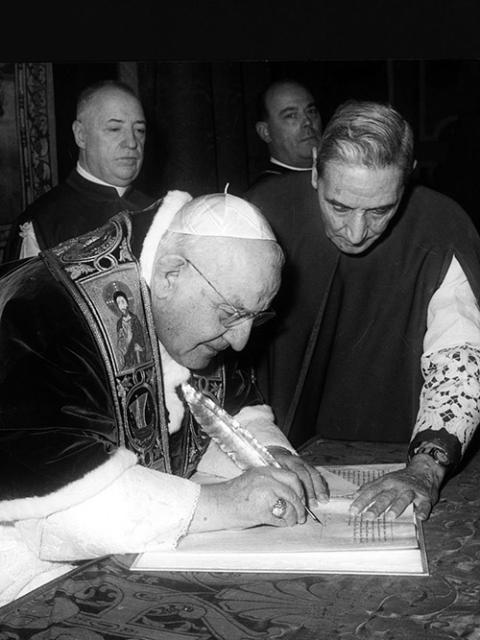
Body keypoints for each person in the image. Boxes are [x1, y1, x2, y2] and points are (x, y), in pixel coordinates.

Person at [0, 190, 327, 607]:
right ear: (171, 275)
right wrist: (224, 503)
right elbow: (58, 508)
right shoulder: (48, 311)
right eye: (231, 314)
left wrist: (271, 455)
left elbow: (227, 410)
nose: (242, 340)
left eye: (254, 317)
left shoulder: (200, 289)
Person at [246, 99, 480, 524]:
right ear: (316, 168)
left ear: (407, 180)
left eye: (379, 210)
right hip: (275, 446)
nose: (355, 232)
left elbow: (459, 357)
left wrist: (425, 469)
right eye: (338, 206)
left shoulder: (442, 226)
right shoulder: (261, 212)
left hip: (402, 449)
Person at [4, 79, 153, 262]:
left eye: (140, 130)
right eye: (114, 129)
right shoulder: (43, 224)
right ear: (81, 136)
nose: (131, 142)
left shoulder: (160, 211)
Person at [250, 79, 322, 188]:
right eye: (291, 115)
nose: (308, 122)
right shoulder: (264, 194)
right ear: (265, 132)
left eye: (311, 111)